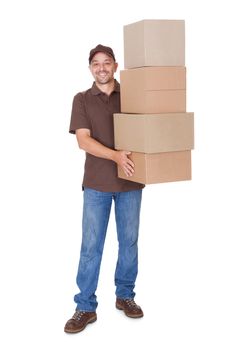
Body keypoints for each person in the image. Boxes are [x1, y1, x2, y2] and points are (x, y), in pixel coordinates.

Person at [64, 44, 145, 334]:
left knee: (129, 243)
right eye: (96, 64)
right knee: (91, 247)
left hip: (131, 182)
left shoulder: (134, 96)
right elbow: (83, 141)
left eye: (107, 63)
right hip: (97, 185)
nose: (102, 68)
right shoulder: (82, 99)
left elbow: (150, 128)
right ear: (90, 68)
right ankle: (85, 306)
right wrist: (115, 156)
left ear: (115, 66)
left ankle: (125, 296)